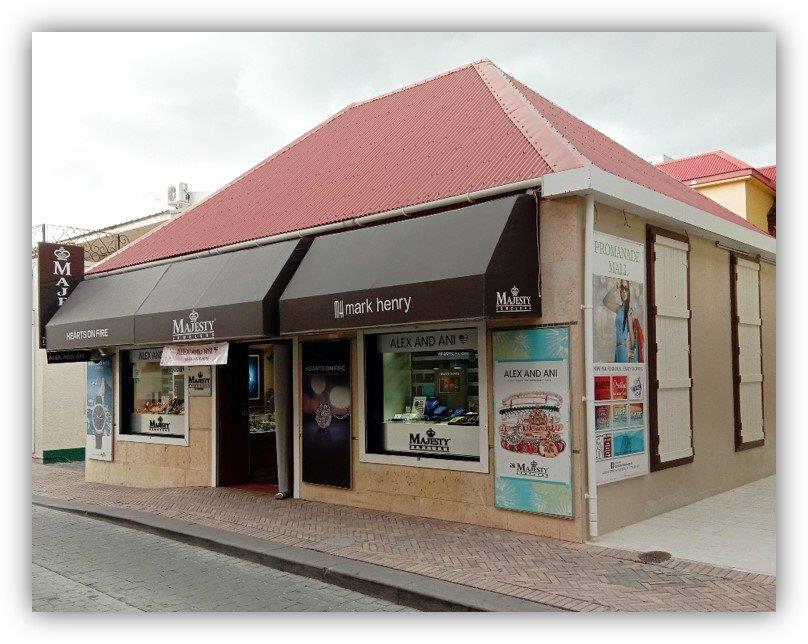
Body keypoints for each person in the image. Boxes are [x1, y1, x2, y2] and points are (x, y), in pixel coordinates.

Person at [603, 279, 637, 363]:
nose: (624, 292)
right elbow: (605, 302)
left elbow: (633, 339)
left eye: (626, 289)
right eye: (622, 288)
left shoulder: (630, 311)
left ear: (629, 292)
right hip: (617, 349)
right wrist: (614, 289)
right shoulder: (619, 308)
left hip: (623, 349)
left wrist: (629, 322)